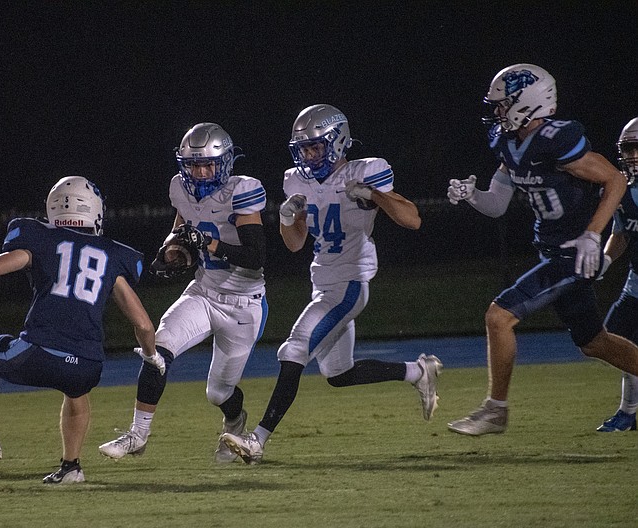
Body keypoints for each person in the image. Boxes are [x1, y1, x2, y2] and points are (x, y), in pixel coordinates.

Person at [0, 176, 162, 484]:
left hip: (39, 354)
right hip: (88, 365)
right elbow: (144, 324)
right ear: (95, 210)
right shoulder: (112, 255)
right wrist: (151, 356)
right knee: (76, 391)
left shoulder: (39, 237)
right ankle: (71, 467)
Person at [221, 104, 441, 465]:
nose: (309, 155)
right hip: (323, 282)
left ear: (337, 142)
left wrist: (374, 195)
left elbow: (412, 220)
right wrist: (288, 218)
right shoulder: (297, 180)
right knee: (338, 374)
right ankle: (418, 371)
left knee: (294, 349)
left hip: (351, 282)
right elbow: (294, 243)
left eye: (316, 147)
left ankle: (257, 440)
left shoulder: (367, 170)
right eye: (304, 148)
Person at [445, 64, 638, 435]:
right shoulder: (509, 143)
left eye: (504, 104)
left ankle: (495, 410)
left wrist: (592, 235)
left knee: (498, 316)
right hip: (551, 252)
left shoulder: (557, 138)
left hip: (573, 254)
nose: (498, 111)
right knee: (595, 342)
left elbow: (614, 180)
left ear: (527, 102)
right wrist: (472, 196)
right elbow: (497, 204)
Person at [98, 122, 268, 463]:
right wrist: (172, 249)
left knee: (218, 392)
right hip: (204, 292)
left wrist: (209, 243)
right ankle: (138, 435)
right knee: (156, 350)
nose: (202, 172)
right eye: (194, 165)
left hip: (243, 304)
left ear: (226, 163)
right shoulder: (181, 187)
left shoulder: (243, 190)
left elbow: (255, 257)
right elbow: (181, 225)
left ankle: (235, 421)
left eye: (208, 165)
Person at [595, 117, 638, 432]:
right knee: (614, 341)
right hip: (635, 285)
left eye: (637, 148)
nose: (632, 156)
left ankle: (627, 413)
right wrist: (605, 263)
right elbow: (621, 235)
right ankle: (628, 412)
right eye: (628, 149)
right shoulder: (620, 189)